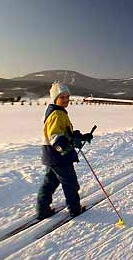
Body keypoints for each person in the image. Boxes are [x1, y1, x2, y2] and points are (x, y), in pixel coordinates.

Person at [36, 81, 93, 220]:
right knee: (70, 182)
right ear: (55, 99)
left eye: (67, 97)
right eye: (62, 97)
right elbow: (55, 136)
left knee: (50, 183)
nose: (66, 100)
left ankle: (42, 210)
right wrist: (67, 146)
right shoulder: (57, 114)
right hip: (59, 155)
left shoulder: (58, 112)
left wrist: (81, 136)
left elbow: (66, 132)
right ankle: (75, 209)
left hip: (51, 155)